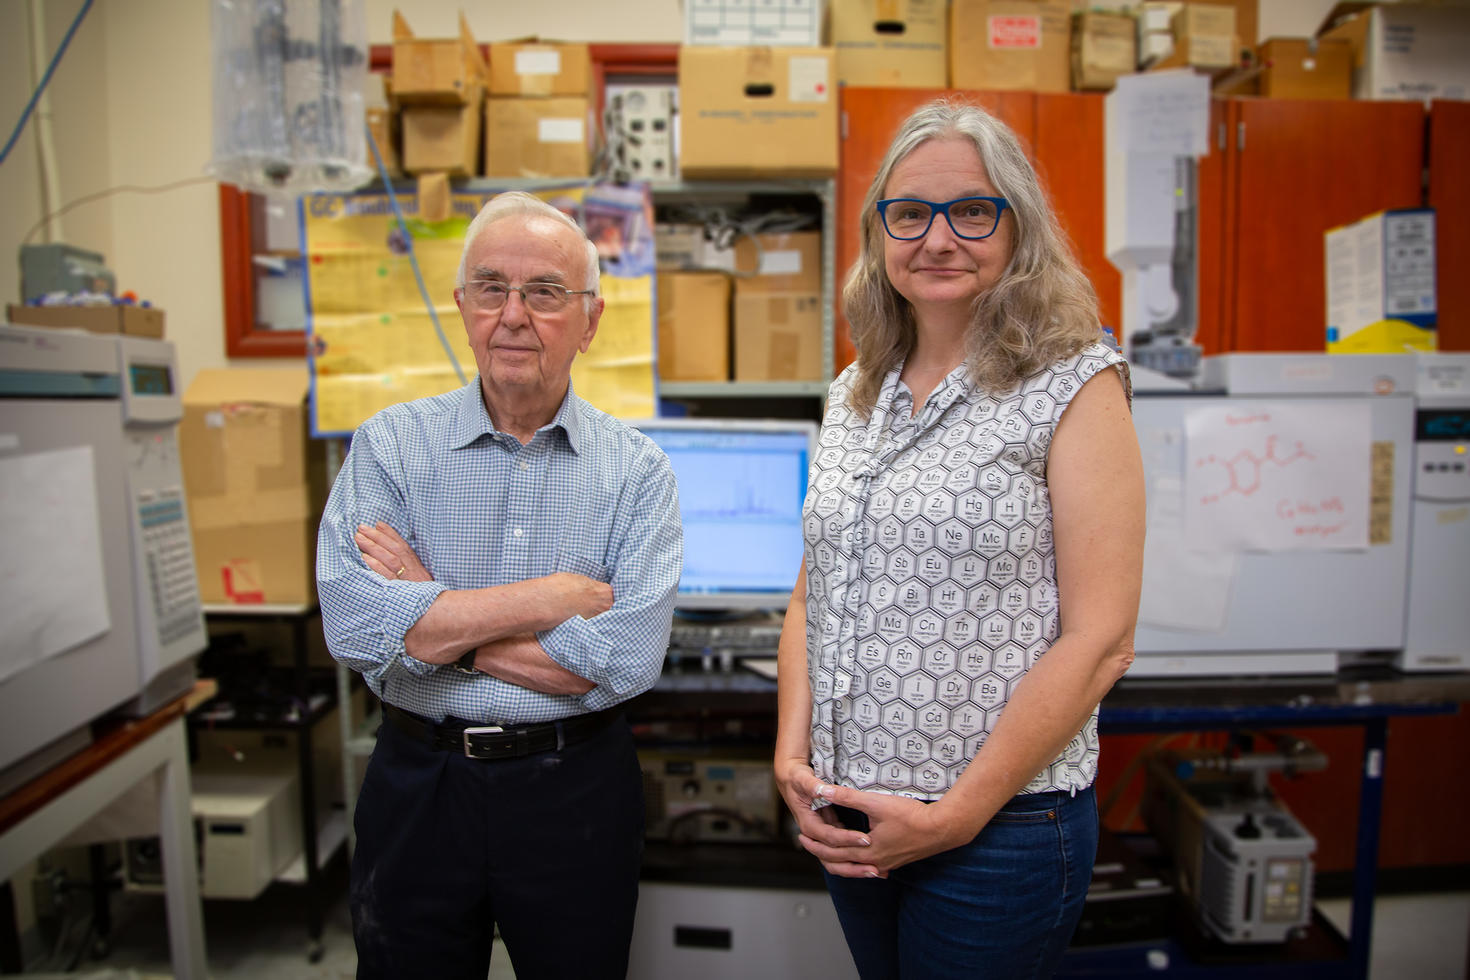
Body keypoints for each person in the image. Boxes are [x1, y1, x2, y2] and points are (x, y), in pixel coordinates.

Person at [773, 98, 1145, 979]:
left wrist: (956, 816)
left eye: (972, 211)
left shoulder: (1075, 384)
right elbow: (809, 596)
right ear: (879, 233)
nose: (938, 239)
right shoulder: (853, 393)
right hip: (849, 812)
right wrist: (793, 753)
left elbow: (1102, 642)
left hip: (1000, 830)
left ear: (1019, 227)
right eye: (910, 214)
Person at [316, 191, 682, 980]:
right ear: (463, 306)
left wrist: (430, 611)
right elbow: (354, 626)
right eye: (491, 288)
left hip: (576, 792)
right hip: (419, 786)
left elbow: (620, 663)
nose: (513, 314)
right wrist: (553, 597)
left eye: (545, 292)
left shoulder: (637, 473)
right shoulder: (389, 447)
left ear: (590, 321)